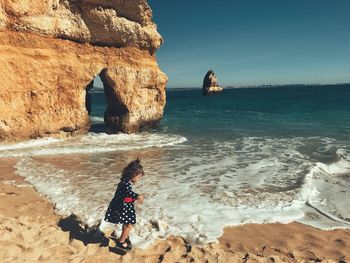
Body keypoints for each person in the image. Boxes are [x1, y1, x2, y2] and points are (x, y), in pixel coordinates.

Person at [103, 159, 145, 250]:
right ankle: (121, 242)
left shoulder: (125, 182)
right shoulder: (125, 184)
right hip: (123, 207)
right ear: (132, 174)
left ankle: (123, 237)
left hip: (124, 205)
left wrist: (133, 198)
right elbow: (127, 192)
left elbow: (125, 195)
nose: (138, 180)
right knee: (129, 224)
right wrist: (137, 196)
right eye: (138, 177)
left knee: (127, 223)